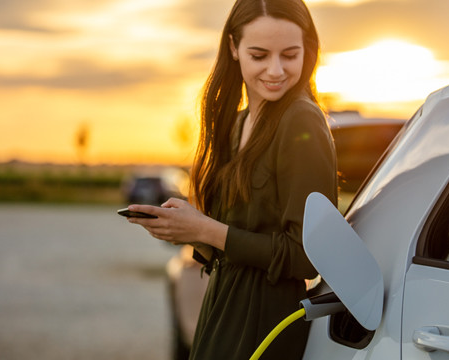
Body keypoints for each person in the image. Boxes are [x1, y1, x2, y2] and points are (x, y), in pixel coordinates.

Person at [125, 0, 337, 359]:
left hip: (265, 324)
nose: (275, 70)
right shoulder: (237, 124)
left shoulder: (301, 121)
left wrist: (206, 230)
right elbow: (235, 243)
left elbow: (306, 257)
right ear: (233, 48)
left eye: (290, 54)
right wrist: (188, 229)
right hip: (222, 309)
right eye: (259, 55)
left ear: (308, 50)